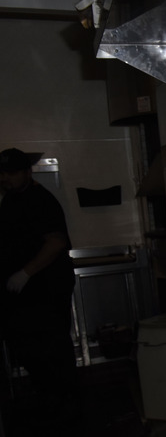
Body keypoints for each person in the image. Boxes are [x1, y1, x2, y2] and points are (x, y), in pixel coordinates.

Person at [0, 148, 79, 433]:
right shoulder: (11, 199)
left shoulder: (40, 200)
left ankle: (65, 411)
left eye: (11, 173)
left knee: (51, 349)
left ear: (27, 172)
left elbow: (56, 242)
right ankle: (49, 402)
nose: (5, 178)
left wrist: (25, 273)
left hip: (45, 290)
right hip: (25, 296)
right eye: (3, 174)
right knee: (32, 350)